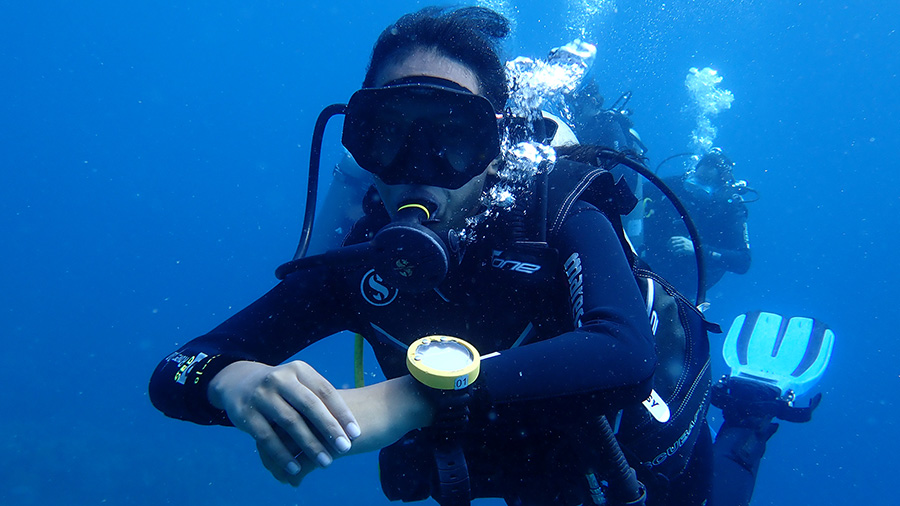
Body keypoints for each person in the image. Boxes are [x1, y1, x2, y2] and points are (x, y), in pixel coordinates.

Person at [149, 6, 718, 505]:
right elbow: (177, 370)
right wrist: (237, 382)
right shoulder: (362, 268)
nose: (419, 164)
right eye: (386, 134)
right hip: (525, 458)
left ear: (496, 149)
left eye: (455, 136)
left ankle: (747, 420)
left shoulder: (560, 210)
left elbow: (622, 355)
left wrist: (409, 399)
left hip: (639, 438)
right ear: (360, 144)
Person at [640, 148, 752, 298]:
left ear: (721, 186)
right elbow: (637, 194)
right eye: (696, 177)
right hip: (650, 265)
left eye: (705, 181)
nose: (695, 185)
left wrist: (697, 249)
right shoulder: (675, 185)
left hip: (687, 283)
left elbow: (743, 261)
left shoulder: (730, 208)